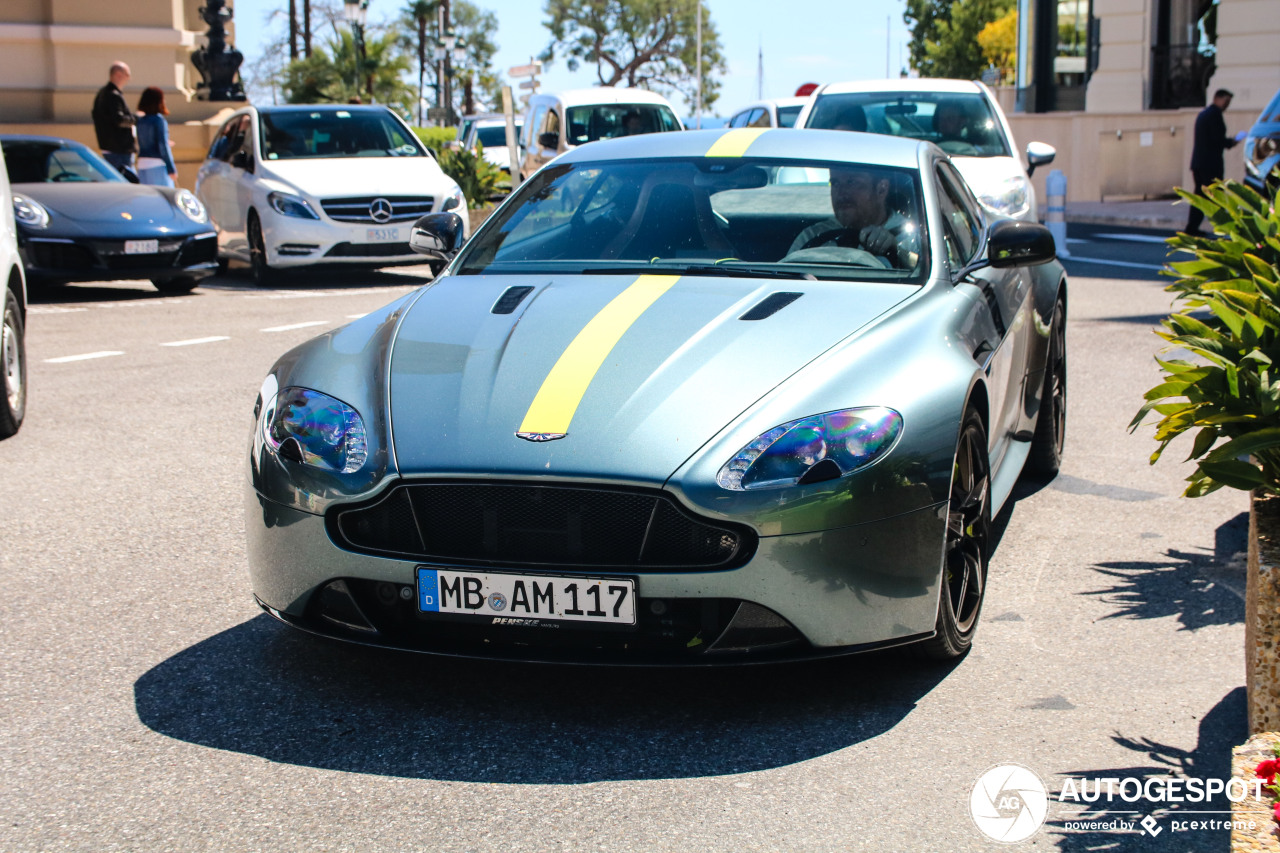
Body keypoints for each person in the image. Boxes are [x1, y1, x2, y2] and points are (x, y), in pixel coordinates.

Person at [786, 165, 919, 268]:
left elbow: (929, 280)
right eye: (835, 183)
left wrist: (896, 251)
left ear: (881, 189)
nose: (841, 193)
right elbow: (785, 276)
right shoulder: (812, 236)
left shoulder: (911, 238)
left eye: (852, 183)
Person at [1184, 88, 1238, 235]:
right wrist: (1230, 142)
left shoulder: (1204, 114)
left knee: (1200, 197)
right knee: (1216, 196)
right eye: (1226, 101)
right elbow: (1216, 139)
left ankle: (1192, 227)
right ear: (1218, 99)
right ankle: (1224, 227)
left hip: (1199, 163)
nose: (1227, 105)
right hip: (1210, 164)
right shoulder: (1214, 115)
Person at [91, 61, 138, 182]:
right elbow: (119, 119)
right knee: (125, 183)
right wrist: (136, 119)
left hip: (110, 147)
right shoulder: (113, 95)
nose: (129, 79)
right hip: (118, 149)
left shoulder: (102, 93)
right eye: (127, 75)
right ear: (118, 74)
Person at [135, 87, 177, 187]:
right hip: (157, 164)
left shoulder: (140, 121)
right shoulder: (159, 120)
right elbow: (163, 146)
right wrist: (171, 168)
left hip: (142, 163)